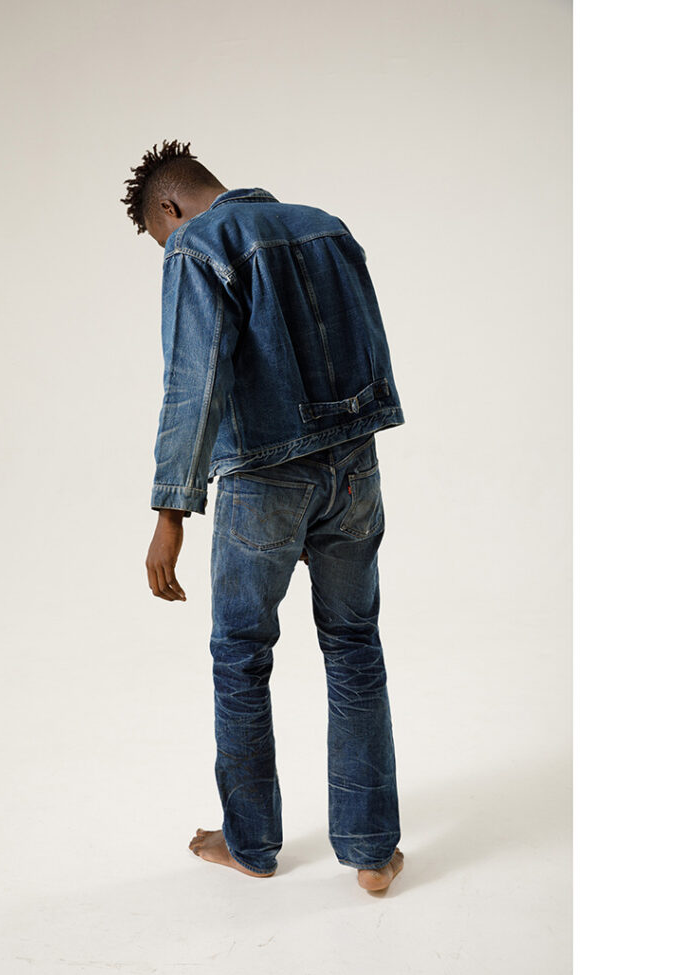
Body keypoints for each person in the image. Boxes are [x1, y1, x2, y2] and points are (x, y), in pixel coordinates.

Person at [121, 139, 406, 893]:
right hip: (355, 469)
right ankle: (372, 852)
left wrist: (171, 510)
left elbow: (193, 380)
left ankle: (251, 843)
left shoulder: (197, 245)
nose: (167, 246)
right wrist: (339, 459)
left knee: (241, 657)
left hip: (262, 481)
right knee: (355, 646)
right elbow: (369, 343)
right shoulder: (324, 225)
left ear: (170, 207)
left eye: (160, 233)